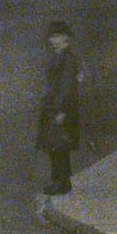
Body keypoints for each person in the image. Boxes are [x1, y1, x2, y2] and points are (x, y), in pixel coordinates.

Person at [36, 19, 81, 196]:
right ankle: (58, 180)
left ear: (66, 38)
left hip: (61, 107)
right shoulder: (58, 56)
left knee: (59, 145)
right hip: (52, 106)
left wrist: (61, 110)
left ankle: (62, 182)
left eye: (57, 36)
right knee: (53, 145)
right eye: (52, 37)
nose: (53, 40)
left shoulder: (68, 59)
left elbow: (67, 85)